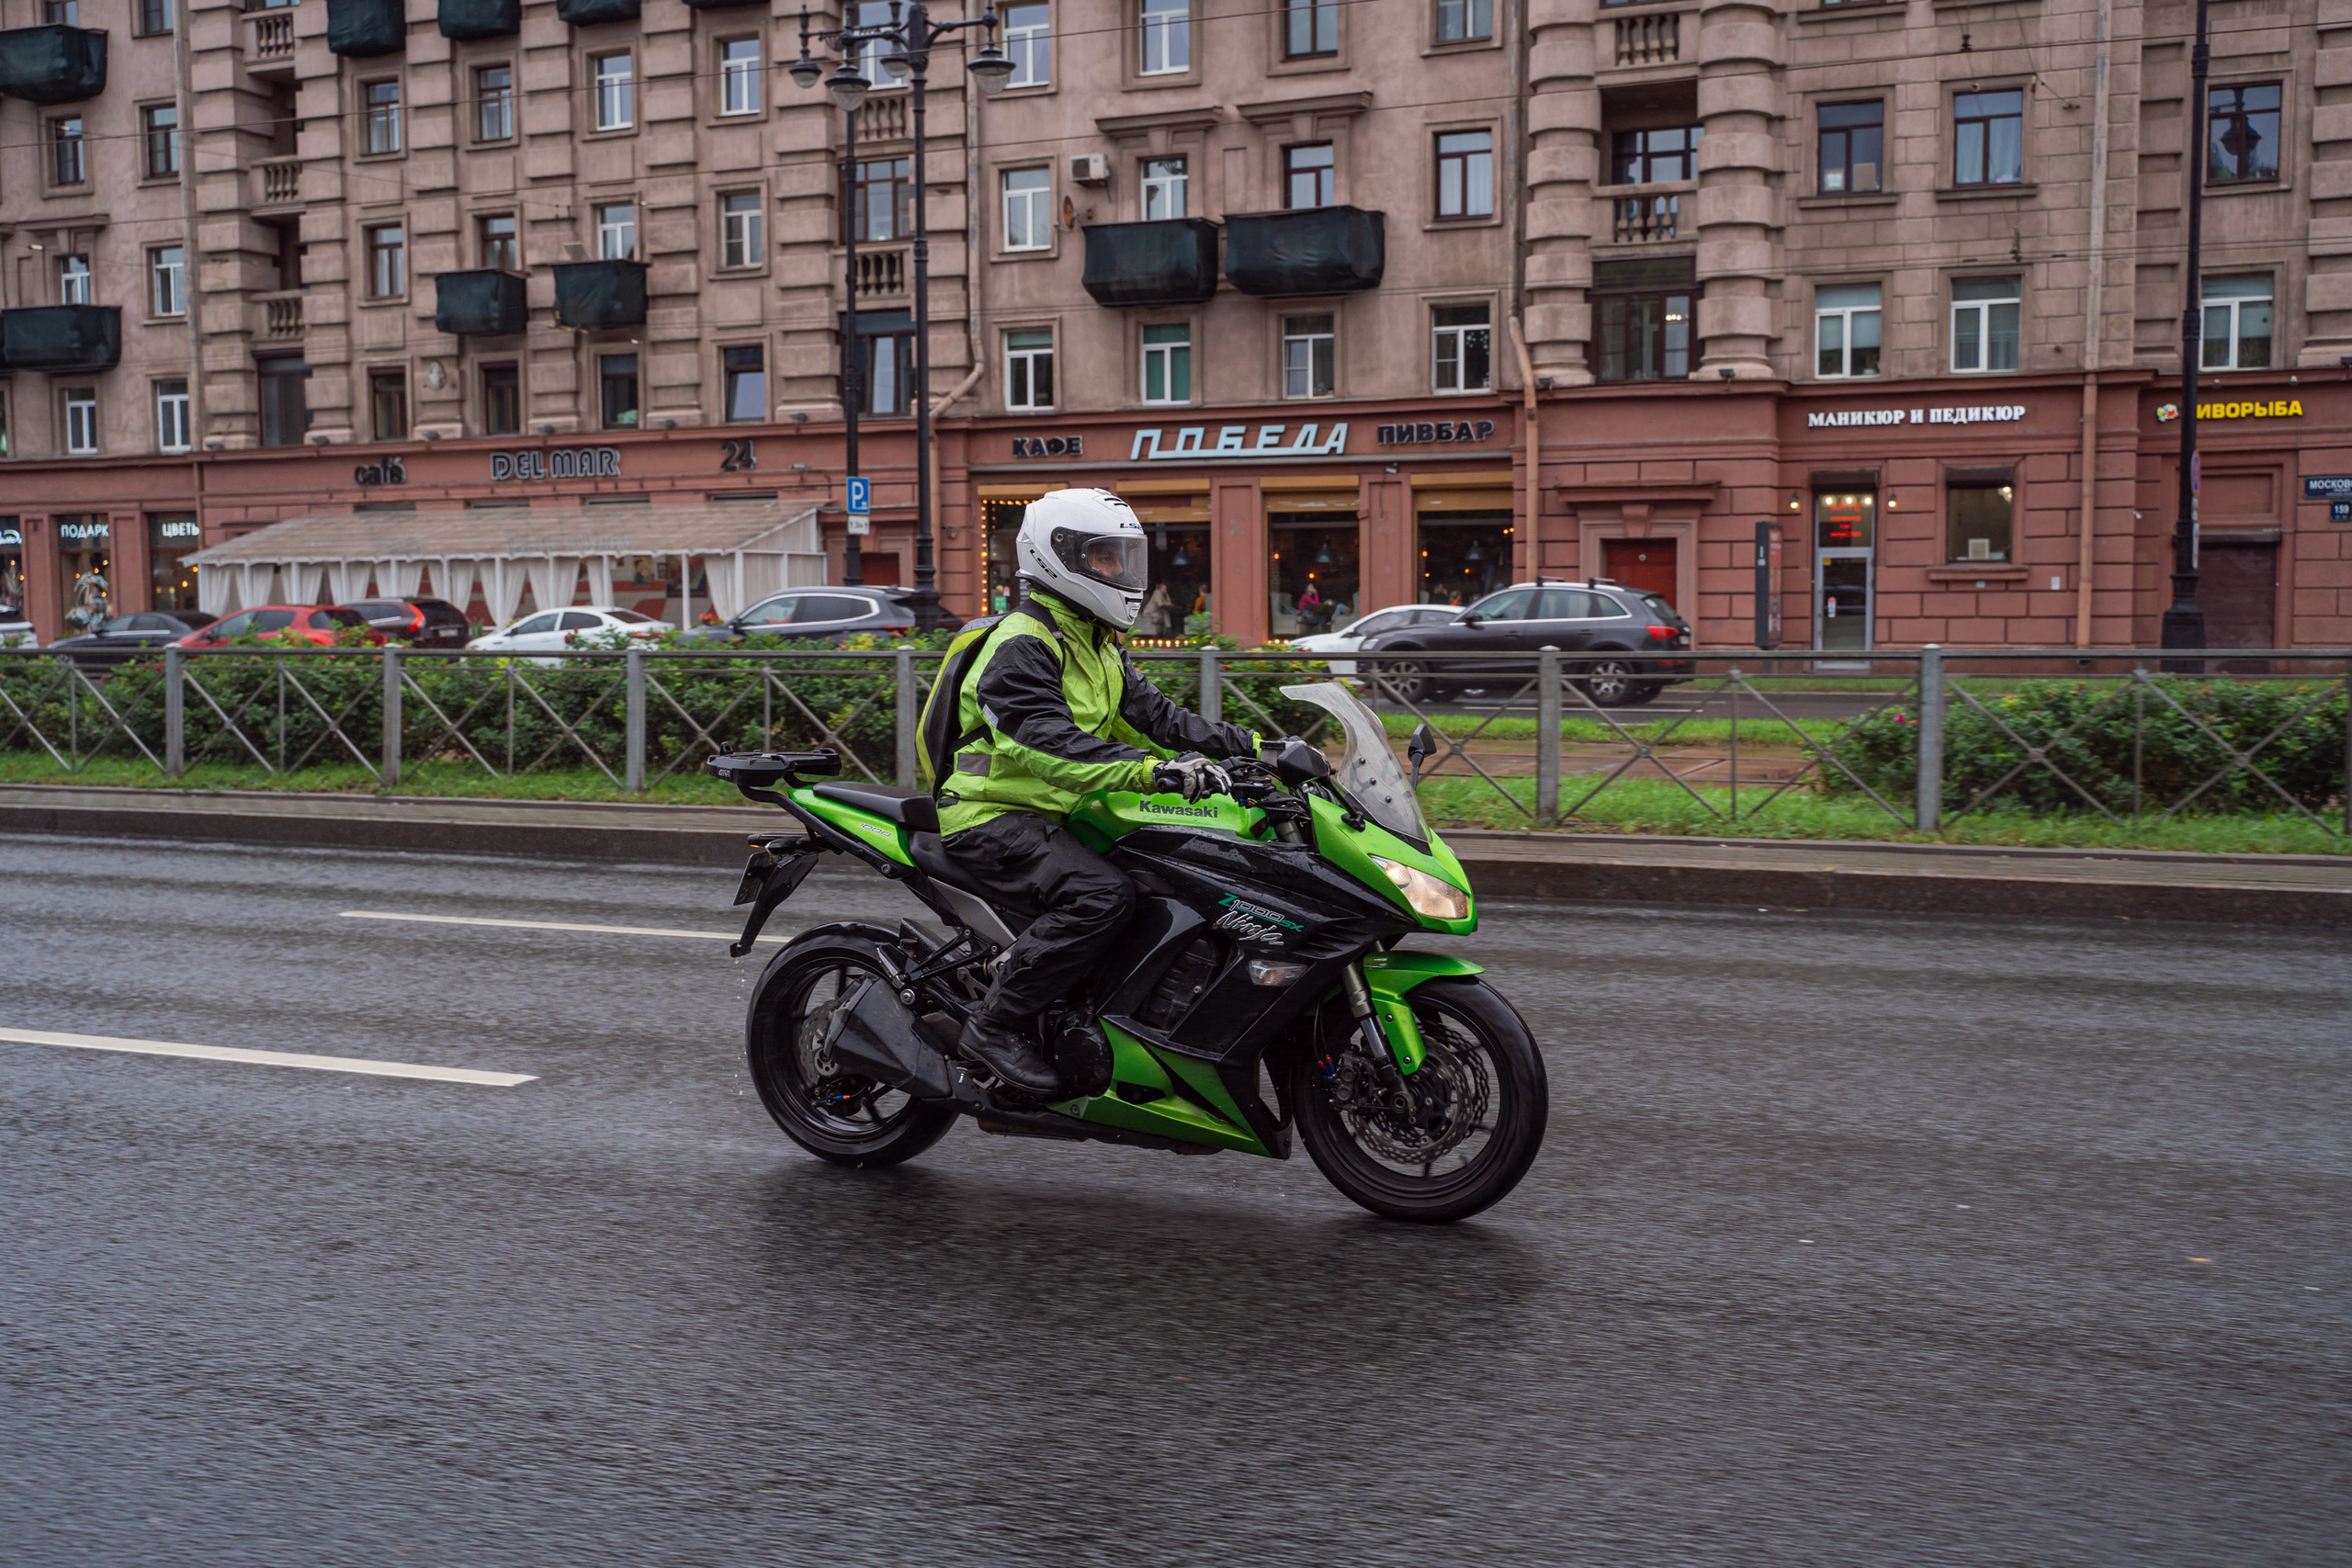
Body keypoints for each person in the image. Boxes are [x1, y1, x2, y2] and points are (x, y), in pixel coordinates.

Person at [934, 488, 1259, 1092]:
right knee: (1101, 896)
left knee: (1174, 873)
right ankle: (996, 1023)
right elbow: (1045, 744)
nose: (1119, 573)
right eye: (1104, 559)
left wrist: (1263, 752)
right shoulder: (1023, 642)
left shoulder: (1097, 641)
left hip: (1059, 812)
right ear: (1058, 558)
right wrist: (1153, 771)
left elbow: (1163, 720)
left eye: (1122, 558)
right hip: (992, 814)